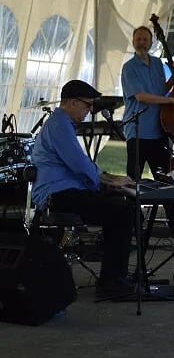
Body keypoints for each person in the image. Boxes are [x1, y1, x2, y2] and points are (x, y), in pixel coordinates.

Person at [31, 80, 135, 297]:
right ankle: (112, 282)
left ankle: (115, 276)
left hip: (64, 190)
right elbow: (78, 164)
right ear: (70, 102)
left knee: (120, 207)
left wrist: (107, 179)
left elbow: (81, 166)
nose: (89, 111)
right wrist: (109, 180)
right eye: (87, 105)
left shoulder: (62, 124)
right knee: (122, 212)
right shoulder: (59, 125)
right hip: (57, 194)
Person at [120, 26, 174, 230]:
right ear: (133, 42)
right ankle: (134, 224)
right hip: (138, 131)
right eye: (139, 39)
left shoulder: (158, 64)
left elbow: (162, 91)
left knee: (167, 179)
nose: (142, 42)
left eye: (145, 39)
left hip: (159, 130)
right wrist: (173, 102)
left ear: (151, 43)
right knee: (133, 183)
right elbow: (142, 97)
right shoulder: (129, 68)